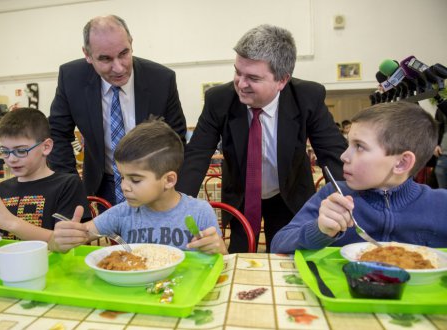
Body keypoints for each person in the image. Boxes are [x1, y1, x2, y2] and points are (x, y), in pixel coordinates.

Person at [176, 25, 347, 253]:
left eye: (253, 78)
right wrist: (176, 205)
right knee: (240, 254)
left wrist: (348, 201)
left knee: (286, 256)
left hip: (289, 196)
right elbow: (196, 155)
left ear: (282, 80)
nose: (241, 83)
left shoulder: (307, 97)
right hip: (241, 196)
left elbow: (332, 154)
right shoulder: (219, 99)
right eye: (238, 72)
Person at [271, 102, 447, 254]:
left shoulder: (440, 205)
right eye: (348, 145)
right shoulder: (333, 195)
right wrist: (319, 230)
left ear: (401, 163)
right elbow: (278, 245)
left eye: (360, 147)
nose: (344, 157)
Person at [48, 15, 187, 207]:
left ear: (131, 43)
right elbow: (57, 133)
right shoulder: (71, 78)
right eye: (105, 59)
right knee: (111, 237)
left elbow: (177, 139)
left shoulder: (161, 80)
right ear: (87, 55)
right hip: (102, 183)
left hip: (153, 184)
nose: (118, 67)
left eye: (124, 53)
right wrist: (71, 186)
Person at [49, 120, 227, 255]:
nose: (124, 187)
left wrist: (217, 248)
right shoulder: (122, 213)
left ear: (169, 180)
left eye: (135, 180)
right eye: (122, 177)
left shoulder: (199, 212)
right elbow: (82, 234)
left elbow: (222, 259)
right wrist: (62, 240)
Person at [0, 108, 91, 241]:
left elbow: (64, 241)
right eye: (5, 151)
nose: (11, 159)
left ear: (46, 147)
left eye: (21, 151)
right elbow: (1, 238)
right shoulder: (2, 188)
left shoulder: (67, 184)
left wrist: (9, 221)